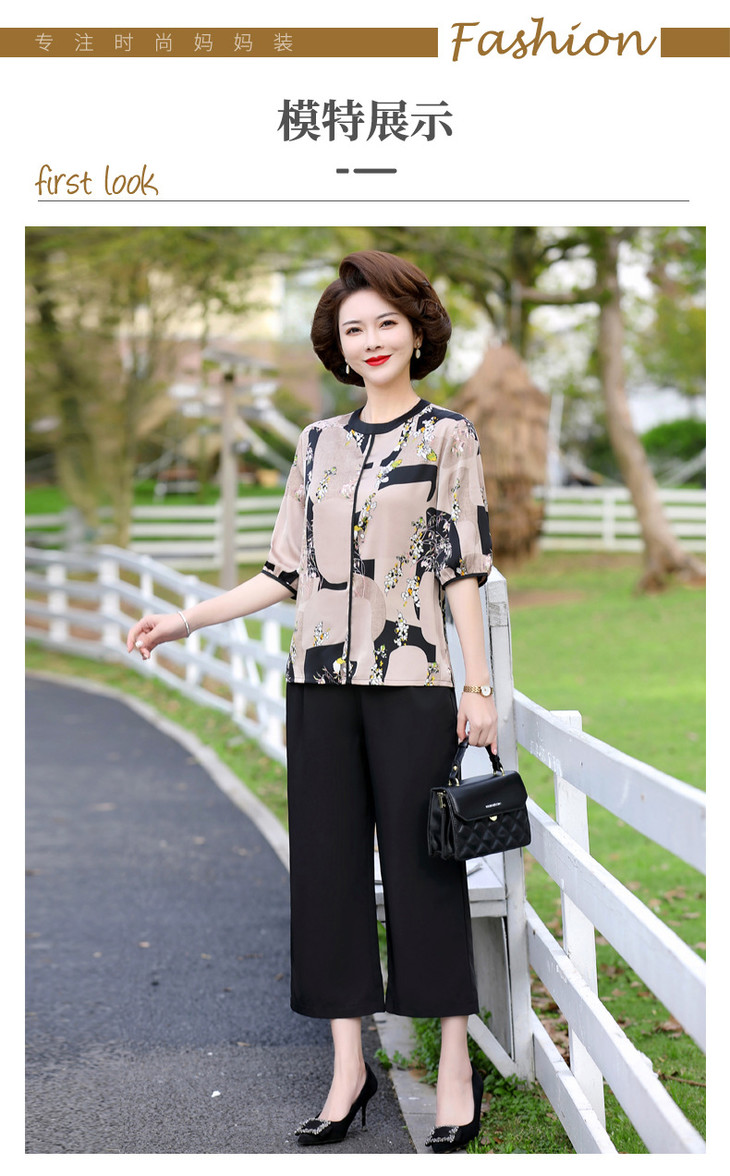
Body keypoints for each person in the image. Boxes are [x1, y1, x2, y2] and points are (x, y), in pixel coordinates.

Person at [126, 250, 497, 1153]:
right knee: (327, 875)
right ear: (338, 345)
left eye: (386, 324)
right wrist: (186, 619)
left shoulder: (447, 436)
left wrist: (477, 685)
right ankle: (348, 1068)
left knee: (426, 870)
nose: (370, 341)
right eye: (353, 328)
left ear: (417, 332)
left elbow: (461, 571)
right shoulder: (317, 444)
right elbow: (282, 572)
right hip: (319, 689)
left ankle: (455, 1067)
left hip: (413, 688)